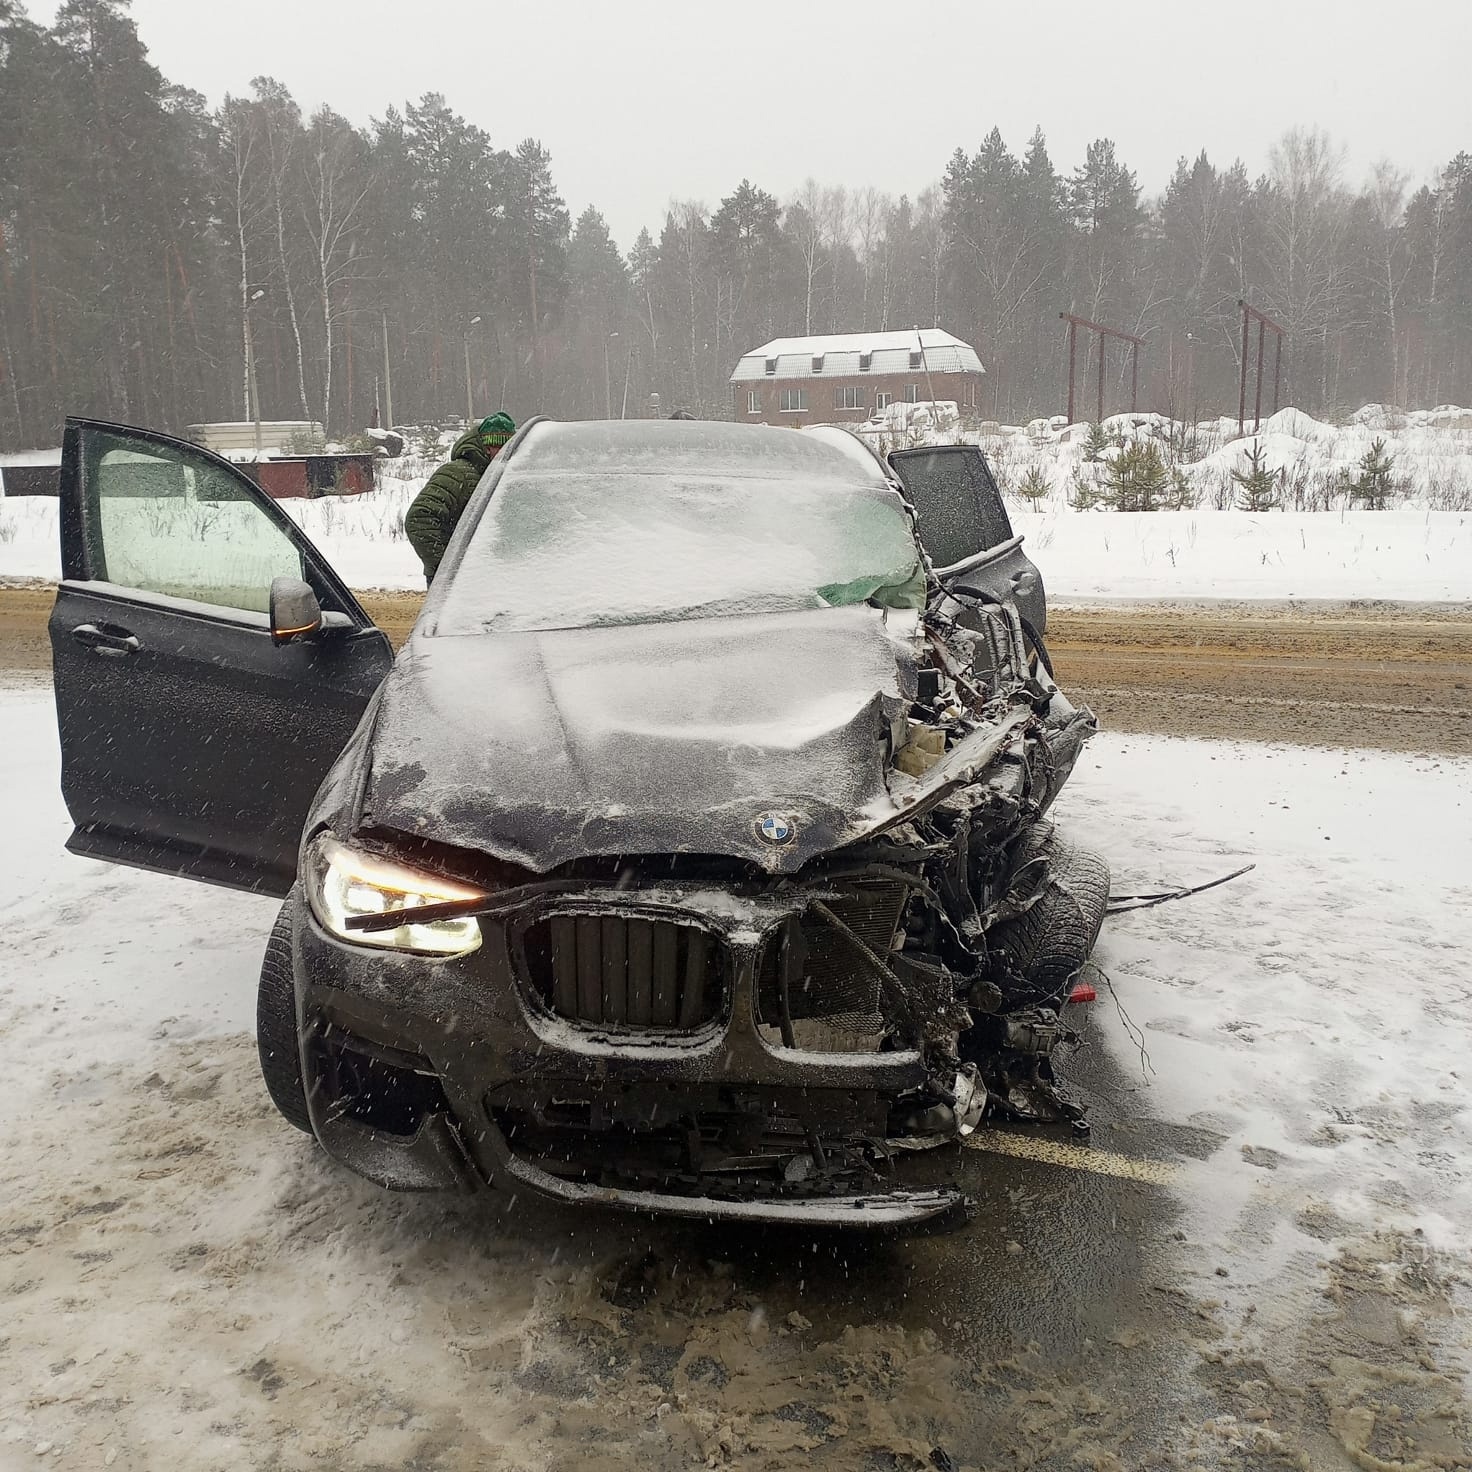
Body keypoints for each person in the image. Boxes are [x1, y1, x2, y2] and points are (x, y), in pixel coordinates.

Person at [404, 412, 516, 583]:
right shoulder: (458, 473)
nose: (504, 454)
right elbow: (420, 517)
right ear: (486, 446)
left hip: (490, 578)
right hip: (457, 584)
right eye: (499, 446)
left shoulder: (503, 477)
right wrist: (447, 567)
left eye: (510, 448)